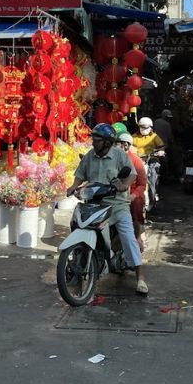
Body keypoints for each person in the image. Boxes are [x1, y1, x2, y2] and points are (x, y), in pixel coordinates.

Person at [66, 123, 147, 295]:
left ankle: (140, 277)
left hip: (117, 205)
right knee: (75, 224)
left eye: (97, 140)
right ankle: (75, 262)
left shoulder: (119, 155)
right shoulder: (90, 156)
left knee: (127, 237)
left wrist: (124, 185)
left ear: (108, 142)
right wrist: (73, 186)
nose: (93, 142)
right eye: (93, 139)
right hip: (94, 204)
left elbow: (132, 174)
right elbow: (80, 175)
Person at [118, 133, 147, 252]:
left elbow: (142, 184)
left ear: (125, 145)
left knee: (136, 205)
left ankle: (137, 236)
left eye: (116, 143)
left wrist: (133, 196)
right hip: (114, 194)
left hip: (130, 194)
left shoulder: (136, 161)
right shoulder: (110, 159)